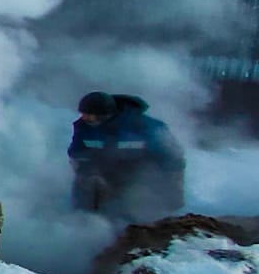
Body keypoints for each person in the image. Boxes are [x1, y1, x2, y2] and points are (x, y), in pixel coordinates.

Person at [69, 91, 186, 222]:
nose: (84, 118)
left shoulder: (143, 126)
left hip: (140, 175)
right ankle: (86, 224)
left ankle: (137, 232)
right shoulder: (84, 128)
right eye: (83, 114)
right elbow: (78, 153)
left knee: (134, 205)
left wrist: (174, 186)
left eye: (89, 115)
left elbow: (171, 155)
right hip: (103, 173)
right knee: (87, 188)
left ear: (106, 115)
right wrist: (89, 172)